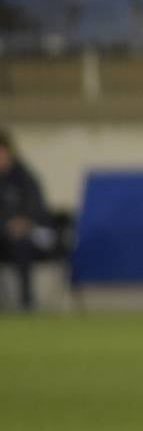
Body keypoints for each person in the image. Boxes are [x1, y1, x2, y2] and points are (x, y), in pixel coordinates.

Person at [0, 129, 52, 313]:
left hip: (31, 234)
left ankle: (27, 301)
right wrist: (6, 225)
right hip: (3, 234)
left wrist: (24, 222)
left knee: (22, 242)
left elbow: (36, 207)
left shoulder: (25, 177)